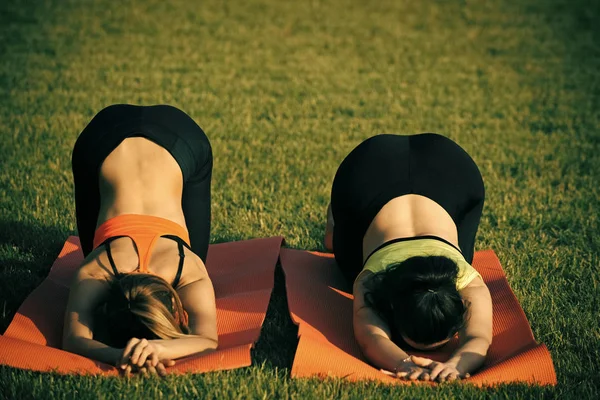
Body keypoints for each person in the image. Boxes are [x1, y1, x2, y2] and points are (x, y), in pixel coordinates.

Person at [63, 104, 217, 376]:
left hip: (176, 137)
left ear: (177, 309)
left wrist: (139, 351)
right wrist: (135, 351)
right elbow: (74, 340)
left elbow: (207, 340)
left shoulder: (189, 267)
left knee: (197, 247)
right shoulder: (95, 271)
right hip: (104, 136)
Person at [324, 133, 493, 382]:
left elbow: (479, 338)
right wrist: (403, 364)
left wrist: (458, 362)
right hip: (390, 172)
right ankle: (333, 221)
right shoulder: (371, 279)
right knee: (333, 246)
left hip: (410, 166)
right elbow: (370, 337)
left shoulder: (466, 279)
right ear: (391, 305)